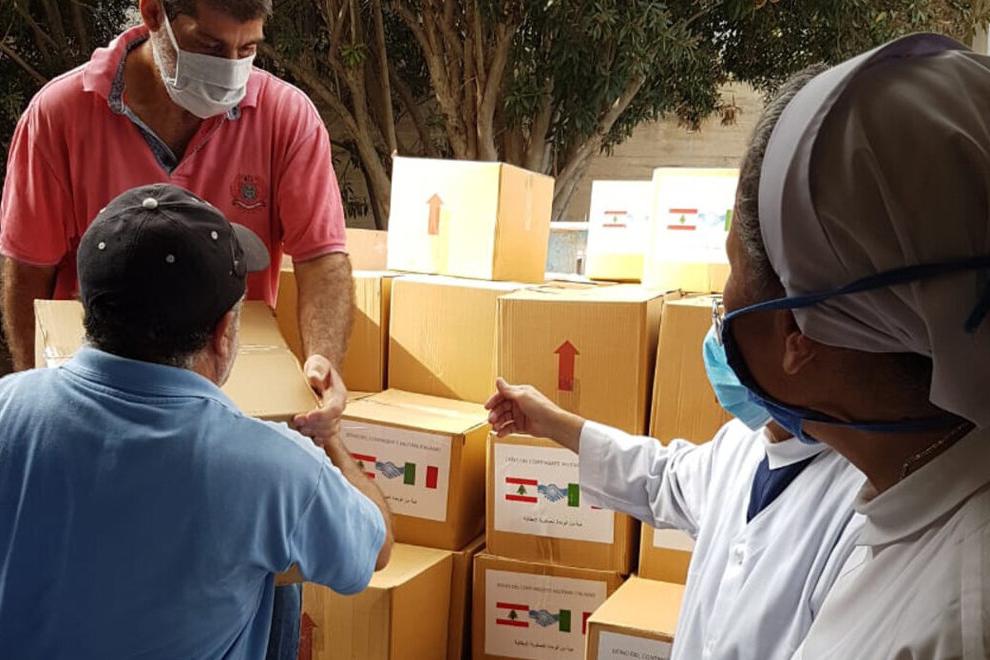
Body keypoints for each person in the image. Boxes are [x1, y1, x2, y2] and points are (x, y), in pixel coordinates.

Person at [0, 1, 353, 651]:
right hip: (97, 428)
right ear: (153, 13)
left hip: (237, 426)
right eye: (212, 47)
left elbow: (324, 258)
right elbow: (26, 273)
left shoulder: (285, 116)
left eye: (249, 49)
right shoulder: (60, 115)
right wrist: (46, 403)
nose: (232, 67)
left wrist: (322, 364)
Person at [487, 69, 869, 655]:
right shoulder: (744, 447)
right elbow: (660, 476)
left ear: (795, 334)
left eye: (730, 290)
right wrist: (550, 421)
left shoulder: (859, 515)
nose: (717, 325)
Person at [0, 184, 393, 660]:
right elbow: (374, 549)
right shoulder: (278, 469)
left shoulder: (8, 407)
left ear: (87, 307)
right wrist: (331, 438)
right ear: (224, 331)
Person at [717, 33, 990, 657]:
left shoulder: (952, 623)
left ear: (796, 334)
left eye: (731, 266)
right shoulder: (924, 506)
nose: (720, 302)